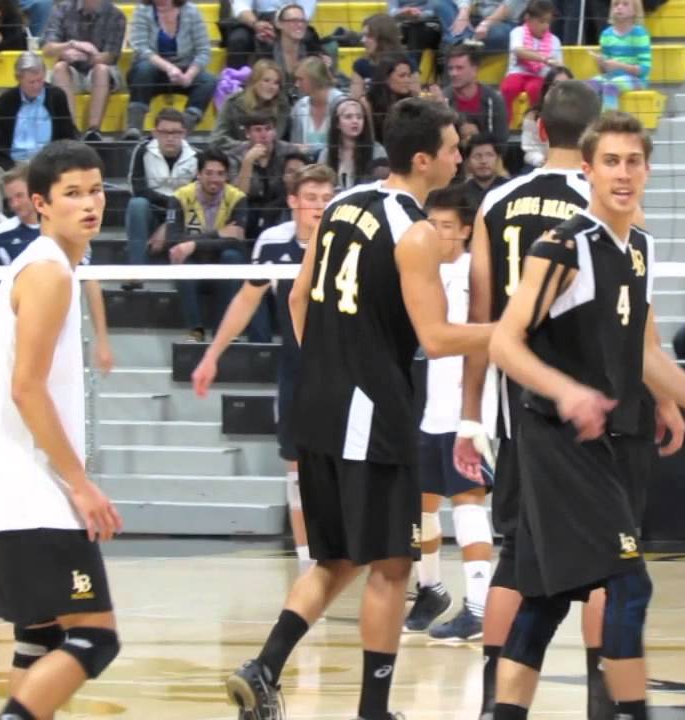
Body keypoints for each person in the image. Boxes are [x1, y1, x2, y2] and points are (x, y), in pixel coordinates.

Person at [486, 110, 685, 720]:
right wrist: (567, 392)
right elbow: (504, 342)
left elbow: (646, 355)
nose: (623, 174)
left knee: (544, 597)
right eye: (611, 162)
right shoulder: (564, 244)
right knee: (628, 583)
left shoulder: (639, 245)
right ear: (588, 170)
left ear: (648, 169)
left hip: (606, 439)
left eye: (634, 162)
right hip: (555, 438)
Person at [224, 98, 491, 720]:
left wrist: (328, 364)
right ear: (425, 159)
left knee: (338, 558)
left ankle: (263, 668)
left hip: (317, 408)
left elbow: (296, 297)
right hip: (371, 414)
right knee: (395, 567)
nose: (459, 155)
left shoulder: (342, 203)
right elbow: (437, 338)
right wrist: (508, 333)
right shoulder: (416, 230)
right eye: (452, 147)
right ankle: (373, 711)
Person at [452, 79, 614, 719]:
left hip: (514, 410)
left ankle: (498, 703)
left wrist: (469, 417)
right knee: (610, 566)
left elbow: (481, 317)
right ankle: (603, 705)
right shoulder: (605, 200)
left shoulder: (496, 201)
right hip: (586, 409)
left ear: (539, 129)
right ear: (597, 138)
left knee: (514, 562)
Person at [0, 139, 123, 720]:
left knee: (40, 642)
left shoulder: (42, 267)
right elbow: (25, 387)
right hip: (30, 494)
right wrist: (81, 484)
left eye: (97, 190)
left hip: (2, 492)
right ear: (39, 204)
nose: (90, 204)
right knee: (96, 637)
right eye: (72, 194)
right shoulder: (49, 272)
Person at [192, 163, 336, 570]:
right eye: (311, 199)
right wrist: (211, 355)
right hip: (296, 371)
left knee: (345, 469)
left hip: (344, 372)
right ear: (293, 201)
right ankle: (309, 563)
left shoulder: (345, 241)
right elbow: (246, 299)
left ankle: (349, 555)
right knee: (296, 469)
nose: (319, 207)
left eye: (327, 199)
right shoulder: (274, 244)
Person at [400, 184, 498, 642]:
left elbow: (475, 336)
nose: (435, 235)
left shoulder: (471, 273)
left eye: (444, 227)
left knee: (467, 504)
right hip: (432, 407)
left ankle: (479, 606)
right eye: (430, 225)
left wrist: (470, 410)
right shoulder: (430, 272)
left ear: (463, 231)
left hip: (467, 405)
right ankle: (431, 588)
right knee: (422, 505)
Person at [0, 164, 114, 374]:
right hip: (17, 334)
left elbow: (90, 282)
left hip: (61, 331)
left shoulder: (70, 232)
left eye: (19, 196)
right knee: (29, 384)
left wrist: (102, 341)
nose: (14, 204)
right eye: (10, 199)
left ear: (36, 196)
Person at [165, 148, 255, 342]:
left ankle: (225, 329)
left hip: (222, 259)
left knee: (233, 256)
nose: (214, 179)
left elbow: (237, 241)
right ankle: (195, 329)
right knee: (181, 258)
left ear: (227, 176)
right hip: (192, 260)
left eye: (220, 174)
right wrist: (218, 235)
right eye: (209, 173)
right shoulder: (179, 197)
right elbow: (172, 239)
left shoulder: (237, 198)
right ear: (198, 174)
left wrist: (193, 244)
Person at [0, 53, 79, 217]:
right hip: (13, 163)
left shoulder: (56, 97)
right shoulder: (5, 101)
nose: (37, 86)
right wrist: (12, 170)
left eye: (40, 80)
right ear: (19, 79)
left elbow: (68, 136)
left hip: (46, 161)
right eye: (31, 82)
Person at [124, 0, 218, 141]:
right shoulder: (143, 10)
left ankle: (182, 129)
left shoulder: (191, 11)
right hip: (153, 67)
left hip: (184, 69)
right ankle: (134, 129)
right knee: (143, 70)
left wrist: (189, 76)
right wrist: (169, 68)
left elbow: (204, 51)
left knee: (208, 80)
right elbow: (140, 48)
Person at [124, 108, 199, 278]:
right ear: (155, 133)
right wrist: (172, 204)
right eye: (165, 132)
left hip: (183, 218)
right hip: (152, 213)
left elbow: (196, 197)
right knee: (137, 205)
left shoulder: (197, 157)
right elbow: (137, 189)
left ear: (184, 133)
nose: (170, 137)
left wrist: (169, 223)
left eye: (176, 132)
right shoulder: (142, 151)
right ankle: (136, 272)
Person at [41, 0, 128, 142]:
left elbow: (111, 56)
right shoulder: (61, 10)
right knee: (59, 68)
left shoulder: (115, 15)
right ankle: (70, 128)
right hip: (71, 69)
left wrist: (86, 56)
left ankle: (93, 131)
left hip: (98, 68)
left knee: (102, 70)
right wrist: (69, 46)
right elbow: (47, 49)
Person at [210, 58, 292, 151]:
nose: (271, 87)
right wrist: (248, 146)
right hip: (238, 157)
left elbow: (279, 140)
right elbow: (216, 141)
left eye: (276, 83)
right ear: (254, 82)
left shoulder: (282, 105)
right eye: (266, 80)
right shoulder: (233, 103)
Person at [499, 0, 563, 119]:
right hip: (517, 74)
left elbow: (560, 67)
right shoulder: (518, 32)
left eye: (548, 22)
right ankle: (505, 122)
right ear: (528, 18)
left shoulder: (555, 40)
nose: (546, 26)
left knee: (536, 89)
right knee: (508, 87)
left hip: (539, 76)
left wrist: (556, 65)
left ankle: (535, 121)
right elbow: (518, 51)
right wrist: (544, 59)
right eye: (541, 21)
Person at [587, 0, 651, 111]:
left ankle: (609, 122)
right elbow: (604, 71)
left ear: (634, 11)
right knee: (588, 86)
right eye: (616, 4)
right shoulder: (606, 34)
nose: (619, 7)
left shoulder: (640, 34)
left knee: (610, 86)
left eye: (625, 4)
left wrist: (620, 66)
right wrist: (601, 63)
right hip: (611, 76)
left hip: (636, 79)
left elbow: (644, 69)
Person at [444, 46, 512, 148]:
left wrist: (475, 139)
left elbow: (501, 143)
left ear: (474, 70)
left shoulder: (494, 100)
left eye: (459, 68)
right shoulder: (443, 100)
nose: (453, 73)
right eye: (451, 68)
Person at [320, 97, 389, 189]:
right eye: (348, 117)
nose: (355, 121)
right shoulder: (326, 154)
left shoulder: (377, 151)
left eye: (359, 117)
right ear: (337, 123)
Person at [289, 57, 346, 156]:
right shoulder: (299, 107)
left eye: (300, 79)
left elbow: (345, 146)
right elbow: (296, 148)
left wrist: (310, 149)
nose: (297, 85)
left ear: (315, 79)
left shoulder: (342, 105)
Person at [519, 66, 573, 168]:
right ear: (547, 88)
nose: (560, 90)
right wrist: (542, 161)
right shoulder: (533, 115)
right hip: (541, 165)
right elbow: (530, 150)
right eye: (555, 85)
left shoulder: (581, 115)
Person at [461, 133, 509, 211]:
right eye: (477, 156)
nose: (483, 161)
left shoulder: (510, 189)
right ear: (468, 161)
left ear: (497, 159)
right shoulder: (461, 194)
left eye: (489, 155)